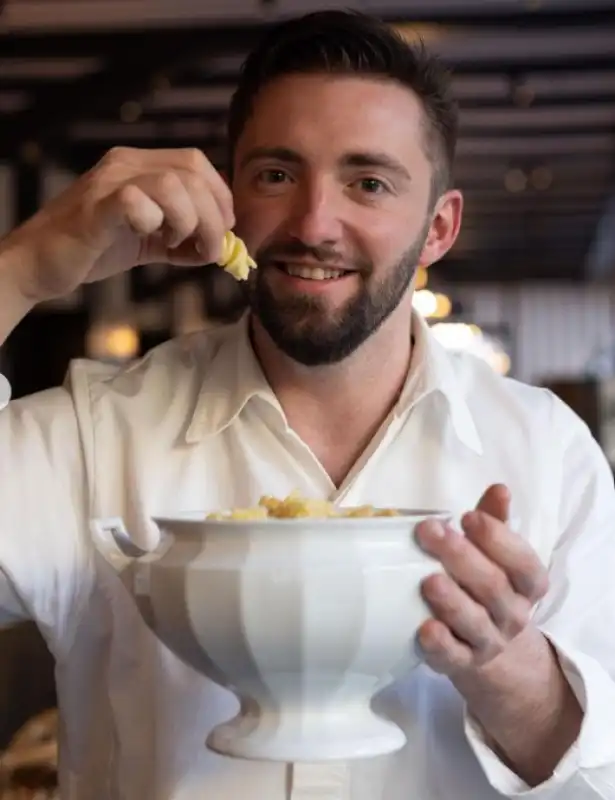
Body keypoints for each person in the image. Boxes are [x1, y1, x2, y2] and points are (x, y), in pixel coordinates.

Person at [0, 9, 614, 800]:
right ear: (233, 196)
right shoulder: (96, 432)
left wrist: (507, 667)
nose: (314, 223)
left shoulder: (544, 449)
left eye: (368, 182)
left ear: (438, 227)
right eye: (277, 174)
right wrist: (20, 270)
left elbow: (600, 770)